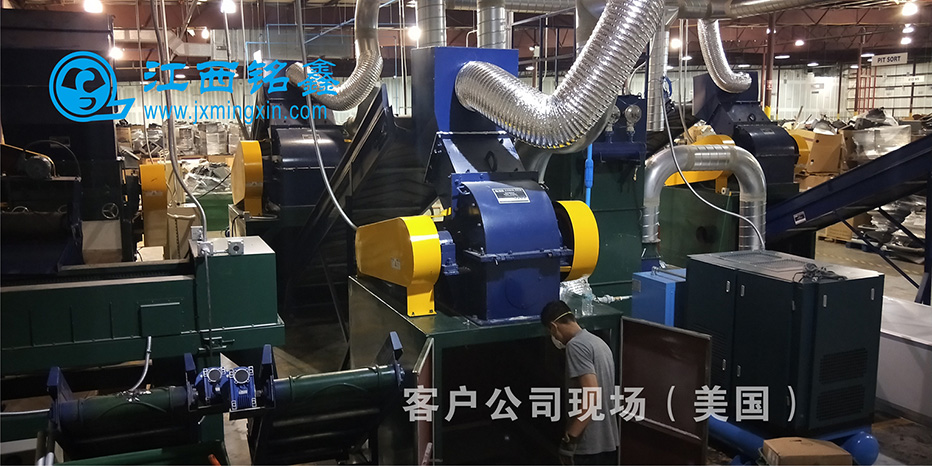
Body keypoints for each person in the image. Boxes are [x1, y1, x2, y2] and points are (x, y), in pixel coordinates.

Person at [541, 300, 619, 465]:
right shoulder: (598, 343)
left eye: (551, 332)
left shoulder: (576, 346)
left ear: (553, 327)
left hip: (588, 447)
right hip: (608, 442)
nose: (554, 338)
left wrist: (570, 439)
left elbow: (591, 395)